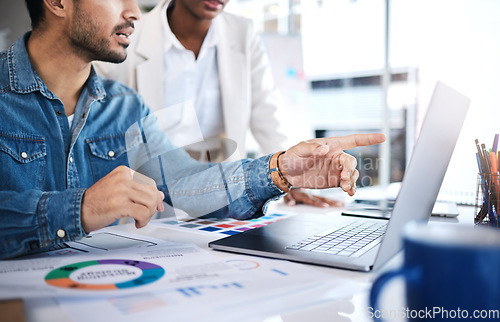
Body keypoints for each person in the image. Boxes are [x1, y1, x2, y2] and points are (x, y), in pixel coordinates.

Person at [0, 0, 385, 259]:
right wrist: (79, 209)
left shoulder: (124, 106)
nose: (134, 11)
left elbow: (185, 183)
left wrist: (281, 169)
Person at [96, 0, 340, 208]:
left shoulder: (242, 33)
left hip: (222, 187)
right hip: (153, 191)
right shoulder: (129, 35)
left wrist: (288, 178)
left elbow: (266, 111)